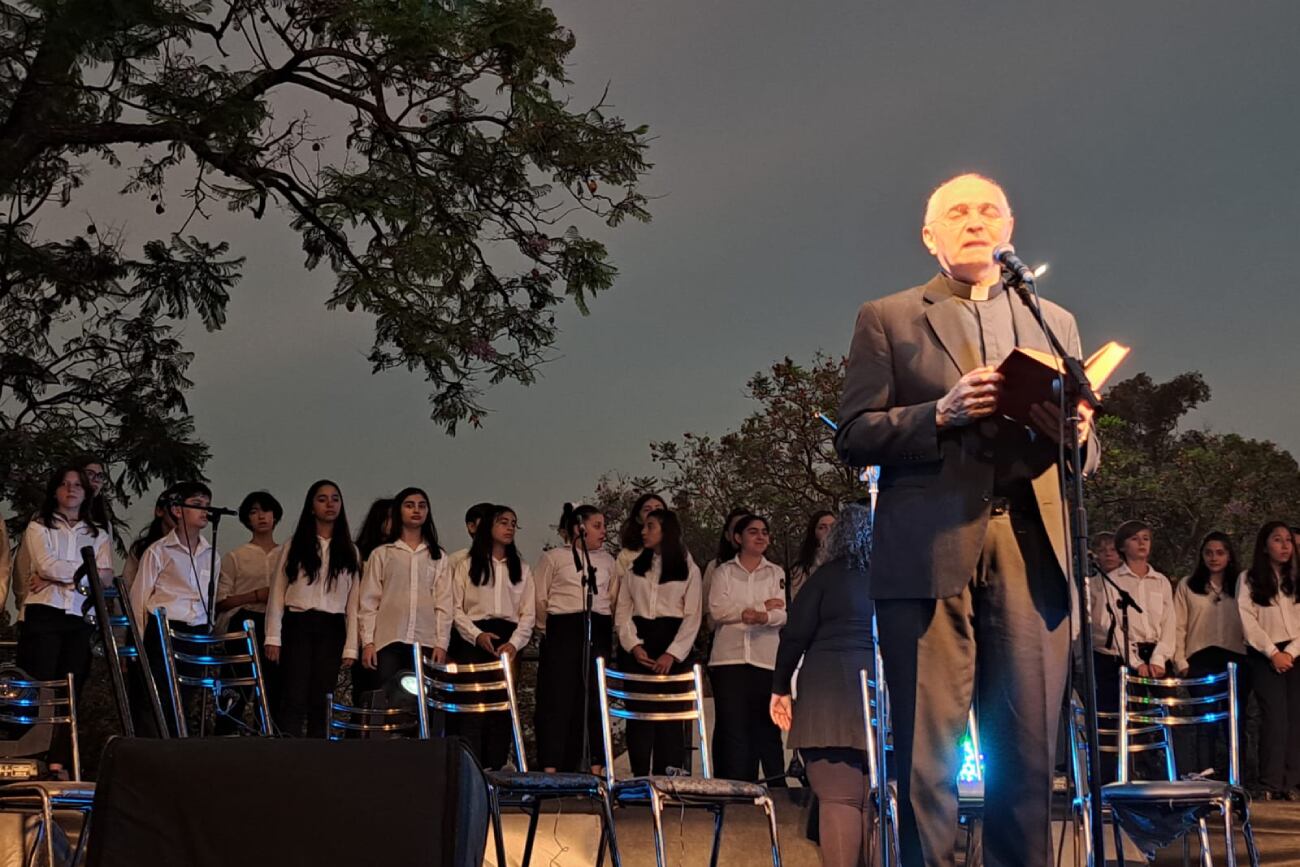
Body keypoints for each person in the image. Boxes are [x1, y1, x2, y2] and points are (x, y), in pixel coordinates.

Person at [834, 173, 1098, 867]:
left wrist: (1076, 434)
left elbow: (1086, 455)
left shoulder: (1054, 322)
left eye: (989, 210)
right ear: (930, 235)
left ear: (1010, 228)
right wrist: (939, 413)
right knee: (928, 757)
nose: (975, 220)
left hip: (1031, 550)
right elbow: (852, 435)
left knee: (1030, 755)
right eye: (958, 211)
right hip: (928, 549)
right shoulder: (888, 316)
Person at [771, 503, 876, 867]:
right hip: (880, 695)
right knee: (872, 801)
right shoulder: (891, 576)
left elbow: (794, 635)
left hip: (827, 696)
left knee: (839, 800)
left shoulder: (823, 578)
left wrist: (780, 687)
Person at [265, 480, 361, 738]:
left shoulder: (350, 551)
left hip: (331, 627)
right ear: (311, 506)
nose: (330, 504)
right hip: (298, 624)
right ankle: (290, 754)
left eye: (335, 499)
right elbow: (277, 594)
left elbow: (354, 603)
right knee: (294, 695)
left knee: (323, 697)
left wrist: (352, 645)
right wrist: (272, 636)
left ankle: (318, 754)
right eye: (322, 499)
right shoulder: (294, 545)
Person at [612, 507, 702, 776]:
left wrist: (672, 654)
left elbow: (692, 616)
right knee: (639, 715)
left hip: (671, 642)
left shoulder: (688, 568)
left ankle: (669, 777)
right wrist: (634, 645)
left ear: (666, 531)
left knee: (670, 716)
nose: (643, 531)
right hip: (640, 643)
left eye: (650, 526)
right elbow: (623, 612)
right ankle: (639, 777)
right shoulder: (634, 567)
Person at [128, 481, 217, 736]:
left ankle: (179, 745)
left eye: (207, 506)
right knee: (161, 695)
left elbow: (209, 598)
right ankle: (159, 747)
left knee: (186, 695)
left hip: (196, 631)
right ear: (178, 510)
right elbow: (139, 598)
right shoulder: (158, 551)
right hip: (164, 628)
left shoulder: (212, 554)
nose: (205, 512)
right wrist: (138, 644)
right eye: (198, 505)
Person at [450, 505, 535, 769]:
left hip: (509, 641)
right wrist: (476, 635)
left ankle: (497, 768)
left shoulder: (521, 568)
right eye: (503, 522)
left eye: (513, 523)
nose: (509, 528)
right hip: (474, 638)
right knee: (473, 706)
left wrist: (514, 643)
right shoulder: (466, 565)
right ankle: (472, 768)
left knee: (502, 707)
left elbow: (528, 614)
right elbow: (455, 608)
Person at [533, 504, 616, 773]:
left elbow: (612, 596)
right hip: (563, 630)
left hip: (598, 627)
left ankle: (596, 767)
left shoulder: (607, 561)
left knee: (593, 697)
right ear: (579, 528)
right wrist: (550, 629)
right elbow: (540, 597)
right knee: (558, 699)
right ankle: (552, 766)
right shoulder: (554, 557)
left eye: (604, 526)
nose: (603, 532)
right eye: (596, 526)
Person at [17, 466, 114, 693]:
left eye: (78, 484)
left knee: (73, 685)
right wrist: (87, 573)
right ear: (54, 491)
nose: (71, 489)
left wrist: (54, 579)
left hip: (81, 615)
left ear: (86, 493)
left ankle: (65, 730)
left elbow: (106, 578)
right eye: (64, 484)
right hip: (45, 610)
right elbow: (47, 566)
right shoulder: (39, 526)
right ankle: (31, 730)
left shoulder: (98, 534)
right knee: (37, 685)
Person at [707, 513, 787, 783]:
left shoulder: (775, 572)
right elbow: (718, 609)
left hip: (765, 659)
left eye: (764, 531)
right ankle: (738, 788)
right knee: (734, 728)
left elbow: (782, 614)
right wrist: (761, 608)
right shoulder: (724, 571)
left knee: (767, 727)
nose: (761, 536)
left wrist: (764, 616)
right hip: (728, 660)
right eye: (753, 532)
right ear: (738, 538)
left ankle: (775, 786)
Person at [358, 487, 452, 688]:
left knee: (422, 701)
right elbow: (369, 602)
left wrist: (441, 643)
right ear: (399, 511)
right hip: (389, 640)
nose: (416, 510)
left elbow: (444, 604)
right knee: (387, 697)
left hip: (425, 641)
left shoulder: (438, 556)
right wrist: (368, 642)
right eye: (409, 505)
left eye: (422, 506)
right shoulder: (382, 554)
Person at [1172, 531, 1248, 779]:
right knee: (1205, 721)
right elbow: (1179, 624)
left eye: (1220, 552)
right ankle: (1205, 776)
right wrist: (1180, 661)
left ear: (1229, 556)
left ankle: (1237, 778)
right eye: (1208, 552)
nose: (1214, 558)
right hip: (1200, 657)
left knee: (1235, 720)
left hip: (1235, 658)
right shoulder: (1188, 585)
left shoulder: (1242, 585)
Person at [1236, 521, 1300, 800]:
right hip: (1265, 654)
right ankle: (1271, 781)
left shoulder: (1297, 578)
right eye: (1278, 540)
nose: (1285, 546)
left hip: (1296, 652)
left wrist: (1292, 652)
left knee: (1295, 716)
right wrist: (1273, 652)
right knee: (1274, 717)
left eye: (1288, 540)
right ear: (1264, 545)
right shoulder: (1249, 578)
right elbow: (1247, 620)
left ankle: (1293, 780)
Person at [214, 491, 284, 733]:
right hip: (243, 622)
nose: (261, 516)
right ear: (246, 520)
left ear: (275, 516)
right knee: (237, 686)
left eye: (265, 510)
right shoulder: (235, 557)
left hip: (276, 626)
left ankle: (268, 735)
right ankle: (226, 734)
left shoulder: (285, 555)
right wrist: (255, 595)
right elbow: (221, 600)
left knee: (274, 689)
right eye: (254, 512)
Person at [1090, 520, 1176, 713]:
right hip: (1127, 656)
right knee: (1134, 717)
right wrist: (1136, 662)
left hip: (1157, 654)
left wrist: (1159, 658)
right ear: (1122, 546)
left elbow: (1169, 623)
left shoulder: (1160, 581)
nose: (1141, 543)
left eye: (1146, 538)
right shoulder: (1113, 580)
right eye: (1135, 539)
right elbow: (1109, 623)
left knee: (1168, 714)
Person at [789, 510, 836, 601]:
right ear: (814, 533)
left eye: (833, 526)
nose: (829, 531)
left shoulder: (850, 562)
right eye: (822, 527)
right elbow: (798, 601)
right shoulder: (800, 570)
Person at [616, 492, 668, 571]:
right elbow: (617, 582)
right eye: (647, 510)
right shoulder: (626, 556)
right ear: (638, 519)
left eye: (658, 509)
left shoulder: (679, 552)